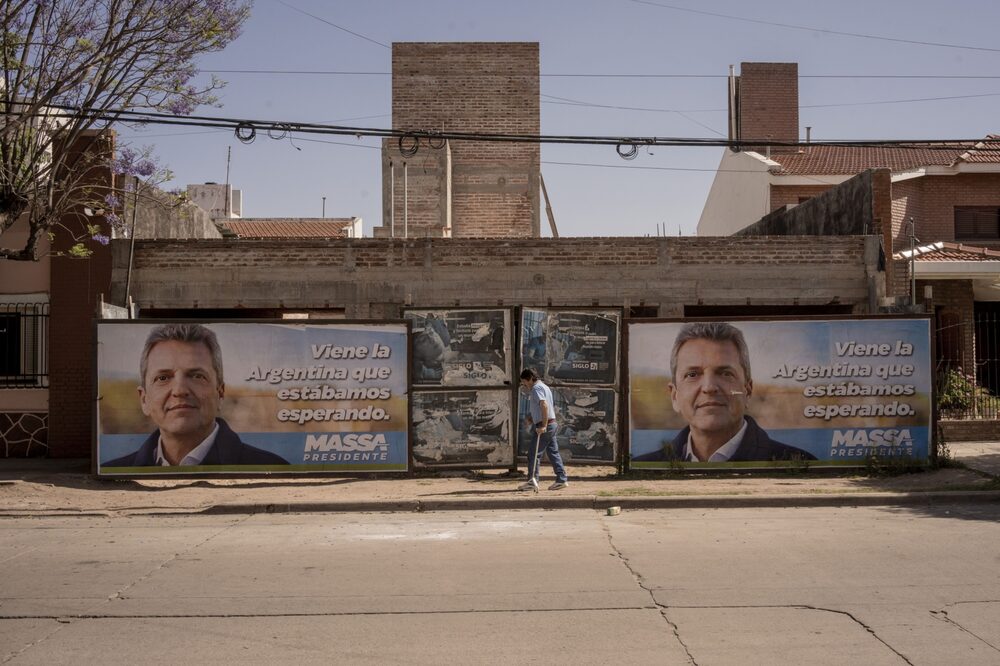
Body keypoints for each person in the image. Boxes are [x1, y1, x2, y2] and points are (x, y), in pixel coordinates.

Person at [103, 323, 288, 467]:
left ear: (220, 394)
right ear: (144, 399)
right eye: (163, 377)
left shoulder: (271, 467)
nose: (179, 390)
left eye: (197, 376)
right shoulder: (116, 474)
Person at [633, 322, 815, 464]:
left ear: (748, 391)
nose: (709, 387)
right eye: (692, 374)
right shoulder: (643, 467)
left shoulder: (799, 463)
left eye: (725, 373)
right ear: (674, 396)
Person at [517, 368, 569, 491]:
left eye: (524, 381)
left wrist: (543, 425)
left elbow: (544, 405)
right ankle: (561, 479)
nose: (524, 385)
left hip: (545, 425)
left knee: (533, 454)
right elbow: (543, 407)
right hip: (552, 424)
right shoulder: (543, 386)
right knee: (553, 452)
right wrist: (531, 419)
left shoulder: (536, 388)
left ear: (530, 378)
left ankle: (532, 481)